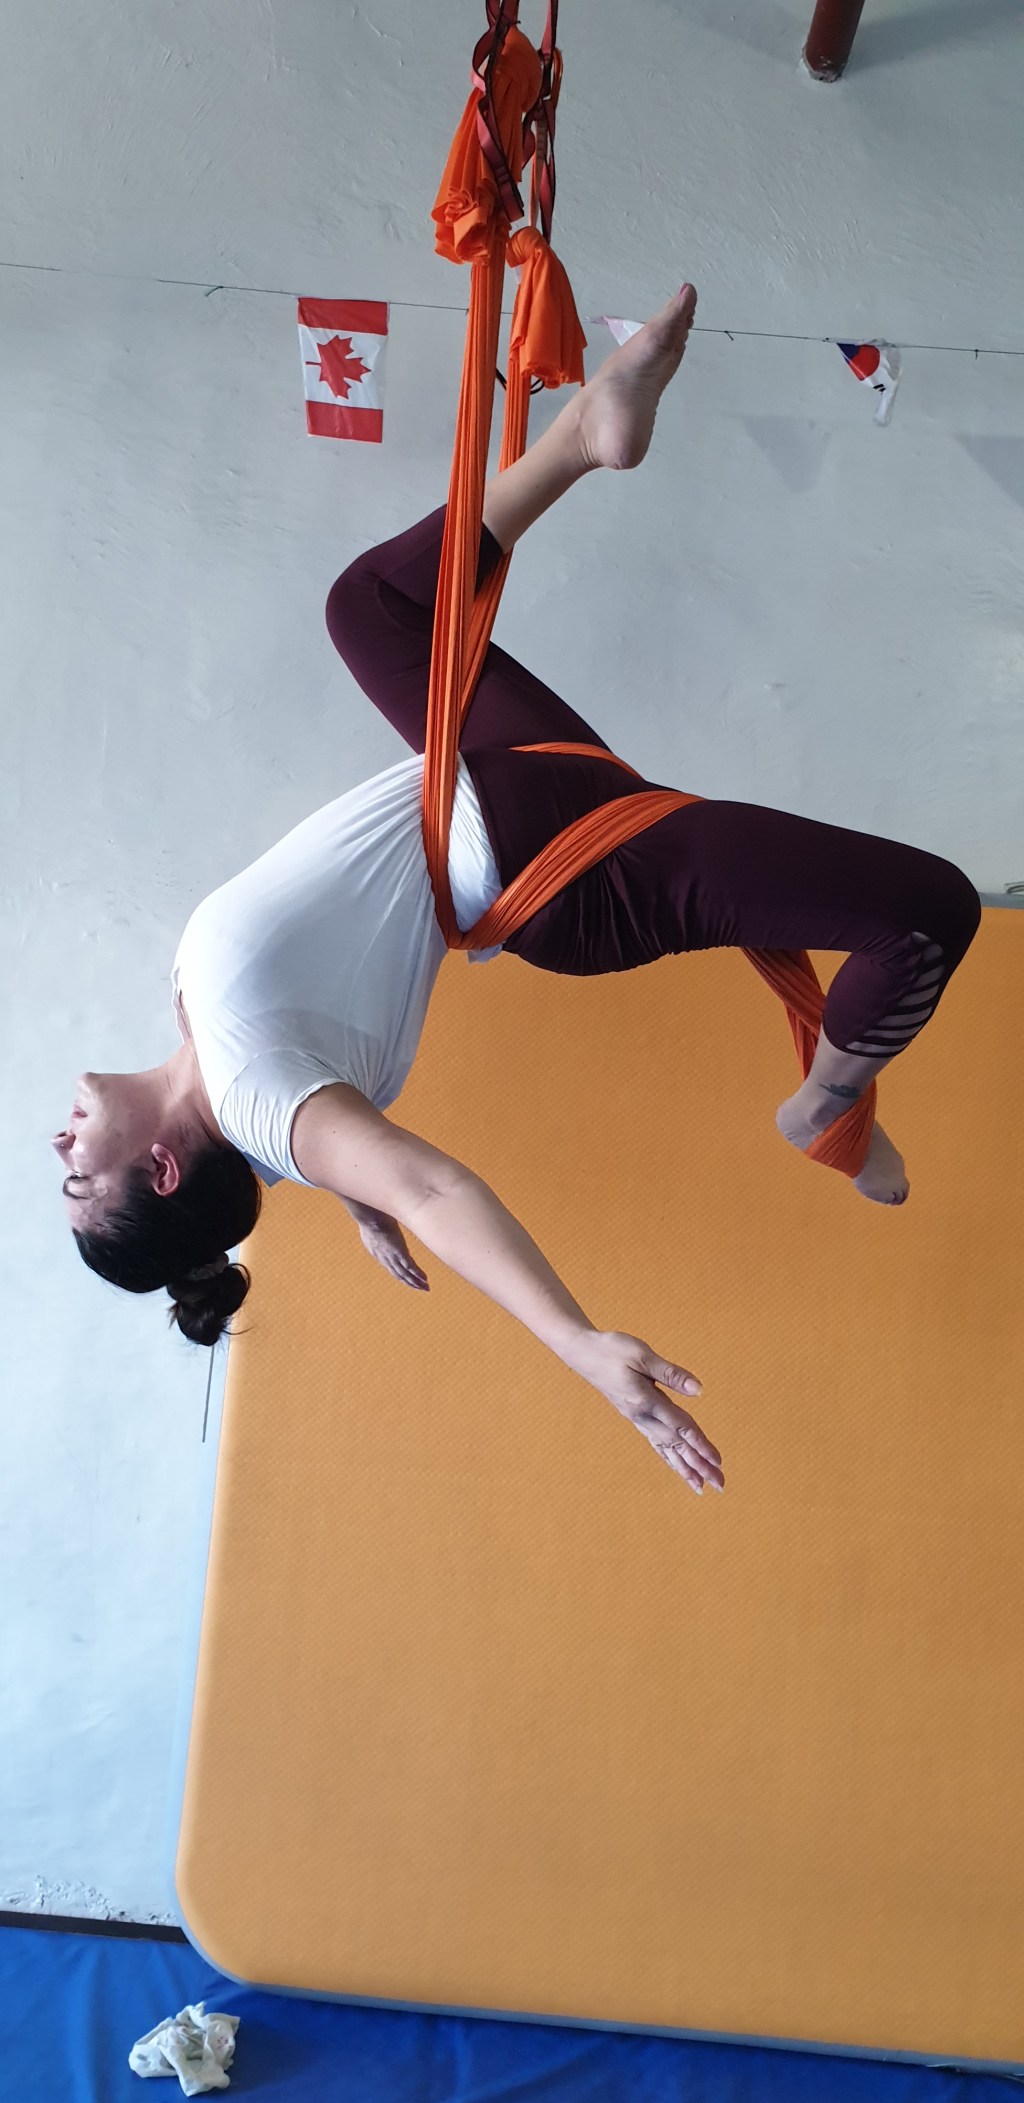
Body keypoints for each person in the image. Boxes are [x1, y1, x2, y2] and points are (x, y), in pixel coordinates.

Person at [54, 286, 980, 1495]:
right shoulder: (259, 1095)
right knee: (927, 911)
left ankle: (587, 430)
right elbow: (430, 1184)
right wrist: (574, 1342)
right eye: (78, 1173)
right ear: (160, 1171)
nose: (56, 1142)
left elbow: (315, 1144)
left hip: (489, 782)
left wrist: (343, 1194)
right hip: (569, 872)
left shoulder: (227, 1068)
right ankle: (828, 1108)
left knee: (368, 606)